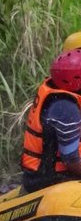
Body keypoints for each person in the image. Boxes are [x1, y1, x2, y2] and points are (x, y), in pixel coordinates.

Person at [21, 41, 81, 190]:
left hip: (48, 172)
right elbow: (70, 159)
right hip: (47, 178)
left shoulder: (58, 93)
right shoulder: (66, 108)